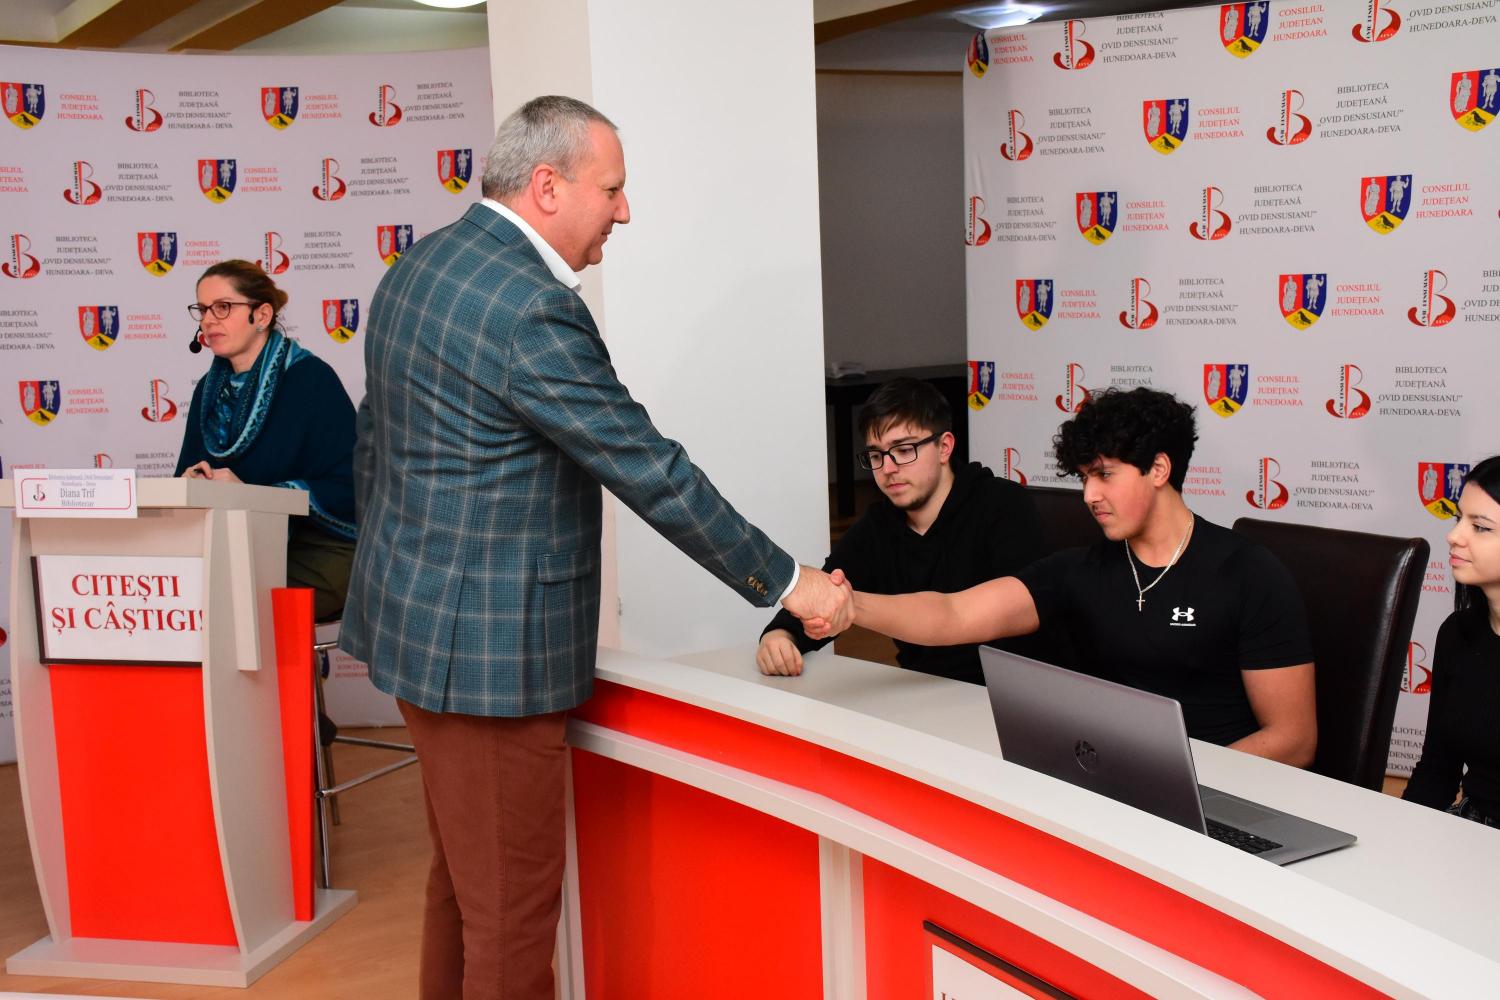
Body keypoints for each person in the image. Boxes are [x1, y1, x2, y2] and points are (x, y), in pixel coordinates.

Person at [339, 95, 849, 1000]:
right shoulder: (531, 307)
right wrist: (787, 580)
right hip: (490, 659)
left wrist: (399, 583)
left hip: (415, 629)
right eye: (611, 189)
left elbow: (376, 446)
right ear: (547, 186)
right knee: (511, 914)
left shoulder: (420, 265)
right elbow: (646, 466)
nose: (625, 210)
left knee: (466, 887)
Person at [813, 387, 1317, 765]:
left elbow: (1294, 740)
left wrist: (1183, 783)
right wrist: (852, 606)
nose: (1089, 495)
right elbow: (953, 613)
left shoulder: (1246, 572)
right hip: (1115, 785)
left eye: (1105, 475)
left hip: (1229, 793)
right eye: (1084, 478)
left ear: (1159, 470)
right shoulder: (1079, 571)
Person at [757, 377, 1044, 683]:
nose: (888, 468)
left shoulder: (1003, 505)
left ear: (944, 447)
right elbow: (827, 594)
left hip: (1011, 691)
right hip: (922, 691)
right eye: (876, 455)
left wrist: (851, 605)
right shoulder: (878, 527)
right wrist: (779, 636)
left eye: (904, 450)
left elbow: (1020, 619)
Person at [175, 260, 356, 621]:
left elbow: (351, 488)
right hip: (239, 550)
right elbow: (186, 475)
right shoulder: (207, 392)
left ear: (261, 315)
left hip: (322, 547)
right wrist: (193, 482)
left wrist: (249, 495)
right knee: (190, 590)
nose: (208, 320)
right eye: (203, 309)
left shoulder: (311, 380)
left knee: (229, 598)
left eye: (223, 307)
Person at [1403, 456, 1500, 826]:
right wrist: (1399, 836)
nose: (1454, 536)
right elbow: (1437, 768)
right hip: (1470, 831)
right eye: (1459, 519)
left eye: (1480, 527)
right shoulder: (1457, 633)